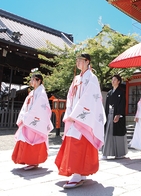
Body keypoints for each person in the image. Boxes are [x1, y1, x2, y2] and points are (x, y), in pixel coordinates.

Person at [55, 53, 106, 189]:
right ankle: (80, 173)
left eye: (80, 60)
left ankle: (77, 174)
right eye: (77, 60)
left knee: (80, 143)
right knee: (75, 143)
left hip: (84, 117)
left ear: (87, 61)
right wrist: (70, 111)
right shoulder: (77, 79)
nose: (77, 62)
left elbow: (90, 98)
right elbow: (70, 96)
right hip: (74, 115)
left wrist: (77, 114)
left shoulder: (92, 78)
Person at [12, 74, 54, 170]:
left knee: (33, 139)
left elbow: (39, 108)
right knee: (25, 138)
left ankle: (33, 161)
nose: (31, 81)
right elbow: (25, 106)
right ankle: (27, 160)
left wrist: (28, 116)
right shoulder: (32, 93)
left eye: (33, 80)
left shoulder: (41, 93)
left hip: (35, 120)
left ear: (38, 81)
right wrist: (24, 115)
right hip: (28, 119)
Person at [102, 75, 128, 159]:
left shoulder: (121, 92)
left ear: (119, 81)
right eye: (112, 80)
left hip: (117, 115)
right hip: (109, 115)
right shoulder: (109, 93)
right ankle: (105, 153)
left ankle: (119, 153)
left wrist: (118, 114)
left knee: (118, 134)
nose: (112, 81)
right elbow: (106, 105)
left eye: (115, 80)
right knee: (108, 133)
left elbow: (122, 104)